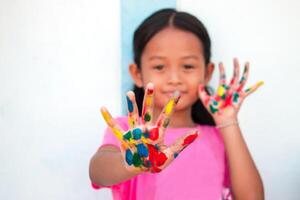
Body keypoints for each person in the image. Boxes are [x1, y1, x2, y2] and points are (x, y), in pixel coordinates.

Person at [89, 8, 264, 200]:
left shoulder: (219, 136)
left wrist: (228, 121)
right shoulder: (129, 133)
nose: (174, 78)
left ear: (207, 73)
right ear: (137, 73)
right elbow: (98, 172)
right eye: (159, 67)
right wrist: (130, 162)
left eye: (187, 66)